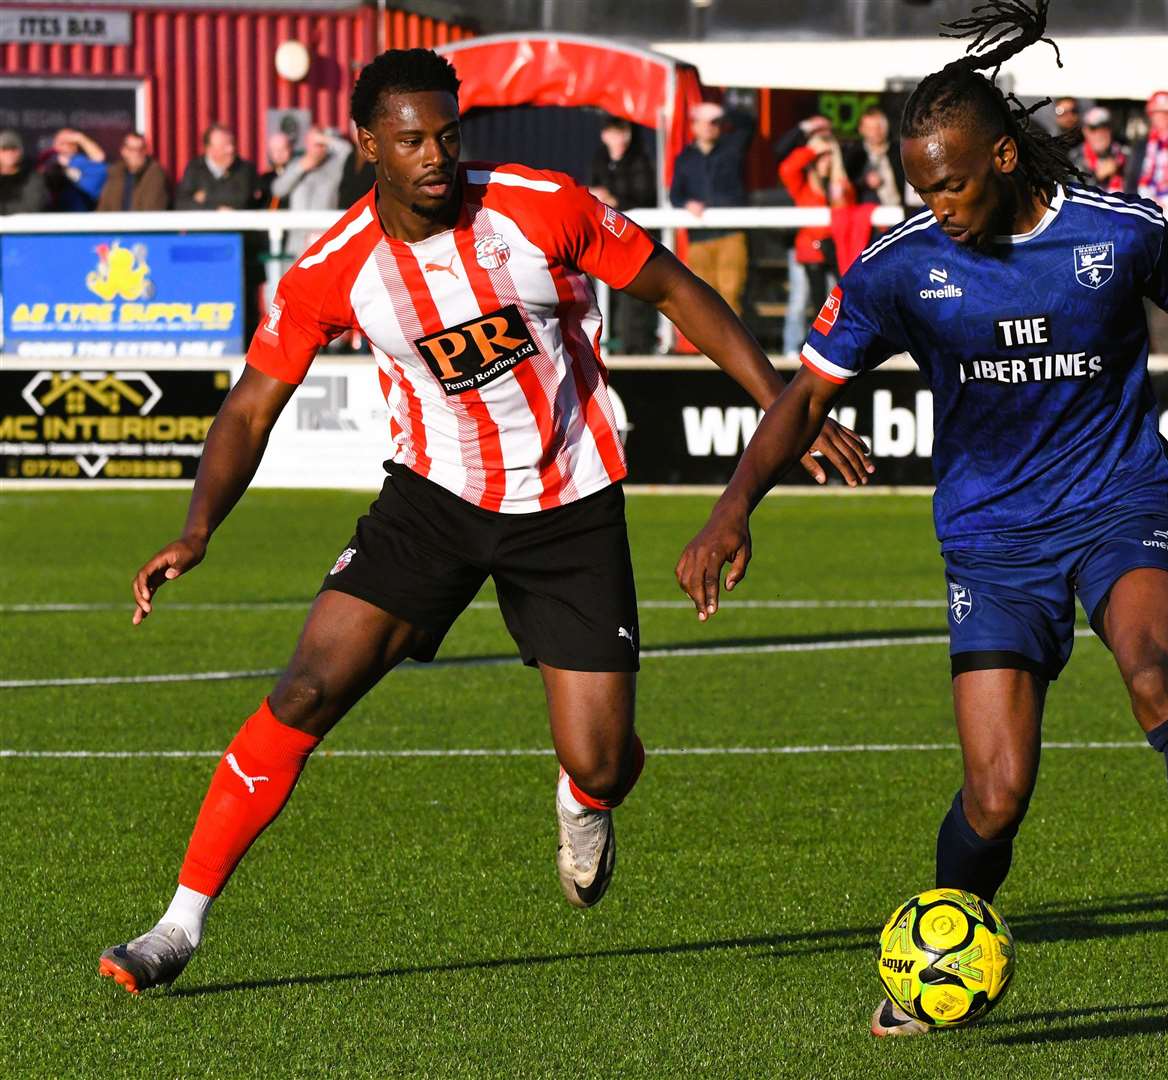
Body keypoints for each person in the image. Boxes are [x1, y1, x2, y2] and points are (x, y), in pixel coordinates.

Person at [96, 47, 870, 996]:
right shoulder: (337, 268)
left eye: (448, 135)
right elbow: (252, 405)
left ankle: (587, 791)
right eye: (412, 139)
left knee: (601, 761)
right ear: (367, 143)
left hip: (570, 501)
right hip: (434, 500)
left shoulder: (540, 204)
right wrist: (200, 527)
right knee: (304, 688)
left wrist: (779, 406)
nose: (435, 156)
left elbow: (673, 289)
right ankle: (178, 924)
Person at [676, 0, 1168, 1041]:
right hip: (991, 540)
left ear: (1002, 154)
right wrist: (732, 509)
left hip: (1119, 502)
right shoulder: (901, 266)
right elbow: (806, 397)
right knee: (995, 795)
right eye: (921, 187)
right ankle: (935, 961)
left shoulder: (1118, 232)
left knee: (1157, 680)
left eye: (951, 181)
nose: (937, 203)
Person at [669, 101, 754, 315]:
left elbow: (749, 124)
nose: (709, 126)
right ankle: (709, 349)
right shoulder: (684, 158)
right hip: (699, 237)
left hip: (731, 234)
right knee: (704, 300)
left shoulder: (731, 149)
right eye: (703, 122)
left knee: (731, 293)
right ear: (694, 126)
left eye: (714, 122)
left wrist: (723, 111)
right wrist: (687, 204)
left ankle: (731, 348)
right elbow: (675, 195)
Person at [588, 116, 658, 353]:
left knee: (633, 295)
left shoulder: (639, 161)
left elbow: (646, 196)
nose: (617, 137)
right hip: (606, 239)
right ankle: (608, 342)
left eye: (621, 132)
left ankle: (634, 346)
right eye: (612, 132)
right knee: (604, 291)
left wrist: (616, 200)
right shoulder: (599, 159)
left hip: (633, 238)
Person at [778, 128, 855, 335]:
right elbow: (787, 169)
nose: (825, 160)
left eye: (829, 155)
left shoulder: (843, 186)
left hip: (835, 253)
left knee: (835, 302)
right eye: (821, 156)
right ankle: (792, 349)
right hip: (808, 252)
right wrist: (811, 151)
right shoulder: (802, 185)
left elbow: (847, 221)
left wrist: (839, 196)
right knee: (799, 301)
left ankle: (832, 349)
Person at [270, 125, 354, 257]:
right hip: (297, 239)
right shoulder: (297, 164)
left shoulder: (334, 165)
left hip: (325, 234)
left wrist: (325, 139)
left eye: (320, 143)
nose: (316, 148)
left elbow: (347, 150)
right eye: (312, 143)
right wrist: (301, 168)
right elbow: (278, 189)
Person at [175, 124, 258, 210]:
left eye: (232, 143)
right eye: (225, 146)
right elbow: (182, 204)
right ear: (209, 149)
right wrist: (215, 209)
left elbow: (242, 199)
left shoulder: (245, 169)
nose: (231, 149)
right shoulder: (195, 169)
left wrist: (206, 196)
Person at [843, 106, 907, 208]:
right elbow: (846, 186)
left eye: (879, 127)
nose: (876, 132)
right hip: (866, 216)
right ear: (861, 129)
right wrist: (864, 181)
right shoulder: (854, 156)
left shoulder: (900, 151)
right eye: (870, 128)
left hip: (899, 211)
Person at [96, 132, 172, 212]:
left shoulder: (155, 174)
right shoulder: (115, 173)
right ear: (123, 151)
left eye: (141, 149)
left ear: (146, 151)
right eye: (131, 149)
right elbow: (104, 208)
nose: (136, 153)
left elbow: (152, 210)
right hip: (115, 223)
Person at [41, 128, 108, 211]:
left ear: (75, 146)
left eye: (67, 141)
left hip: (79, 214)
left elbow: (99, 158)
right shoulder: (47, 160)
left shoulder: (82, 162)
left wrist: (80, 138)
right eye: (59, 141)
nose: (61, 145)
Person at [1070, 106, 1126, 193]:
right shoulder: (1075, 157)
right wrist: (1096, 177)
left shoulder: (1124, 153)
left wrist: (1120, 169)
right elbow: (1072, 193)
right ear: (1085, 131)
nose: (1100, 133)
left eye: (1104, 127)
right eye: (1093, 128)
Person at [0, 129, 48, 214]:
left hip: (22, 226)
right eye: (4, 149)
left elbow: (32, 207)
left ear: (20, 152)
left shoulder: (32, 178)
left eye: (14, 149)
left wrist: (4, 210)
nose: (9, 153)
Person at [259, 133, 296, 210]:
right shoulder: (264, 179)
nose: (279, 154)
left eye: (283, 149)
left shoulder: (299, 175)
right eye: (275, 150)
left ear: (290, 149)